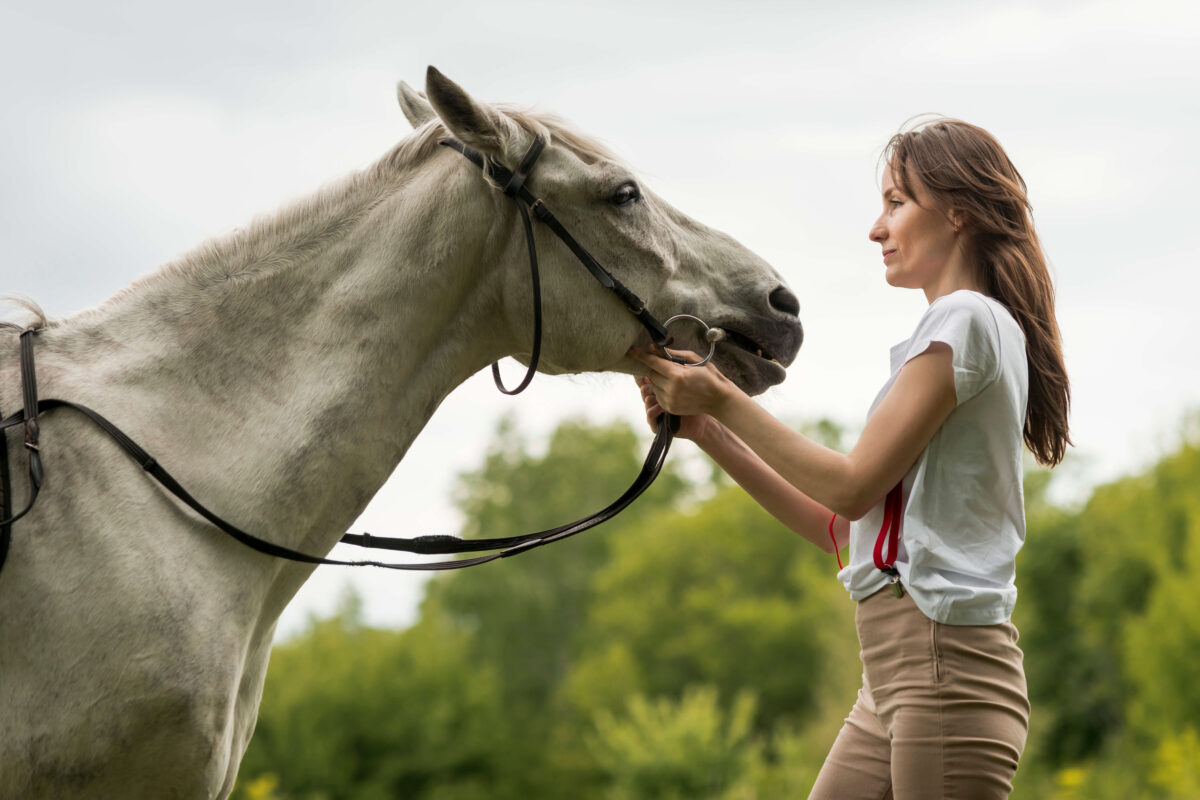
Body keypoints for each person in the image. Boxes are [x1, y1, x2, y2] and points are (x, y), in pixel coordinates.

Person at [627, 117, 1070, 799]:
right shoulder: (960, 328)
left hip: (945, 673)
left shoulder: (968, 321)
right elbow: (843, 528)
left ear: (958, 213)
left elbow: (854, 486)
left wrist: (719, 396)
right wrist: (709, 434)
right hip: (894, 678)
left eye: (896, 203)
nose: (876, 228)